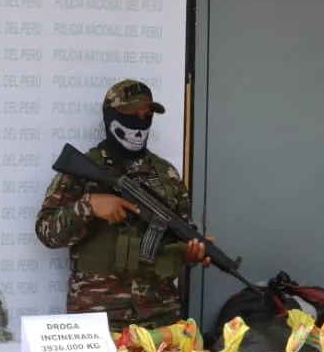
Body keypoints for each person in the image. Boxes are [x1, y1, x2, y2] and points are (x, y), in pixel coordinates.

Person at [35, 79, 209, 333]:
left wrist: (191, 252)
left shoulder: (166, 174)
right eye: (131, 113)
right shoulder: (83, 169)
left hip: (160, 315)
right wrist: (89, 206)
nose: (140, 122)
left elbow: (181, 232)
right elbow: (46, 232)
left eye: (146, 114)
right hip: (97, 317)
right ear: (110, 116)